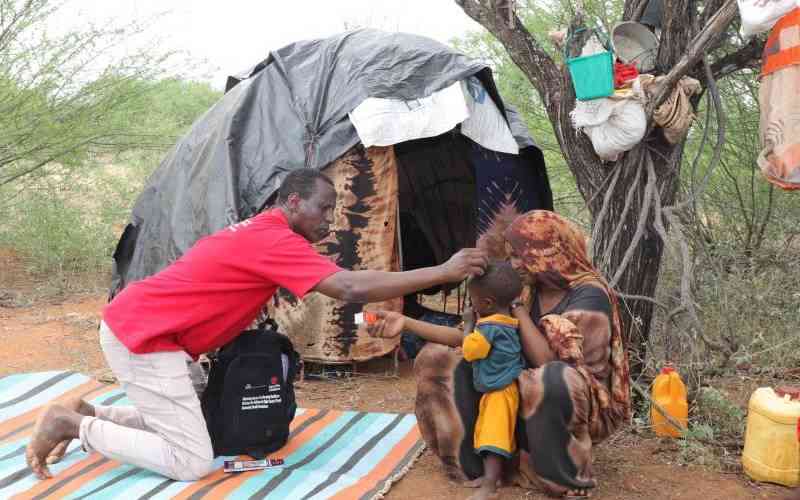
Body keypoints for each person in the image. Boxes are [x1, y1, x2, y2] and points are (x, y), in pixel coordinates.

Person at [25, 168, 488, 481]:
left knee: (199, 426)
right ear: (292, 202)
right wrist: (443, 272)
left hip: (156, 334)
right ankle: (73, 426)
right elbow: (348, 287)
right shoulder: (274, 240)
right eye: (323, 209)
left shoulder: (264, 232)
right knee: (192, 461)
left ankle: (96, 416)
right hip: (144, 339)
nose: (329, 219)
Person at [369, 210, 631, 498]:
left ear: (548, 252)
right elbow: (468, 338)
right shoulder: (529, 288)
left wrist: (517, 308)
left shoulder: (588, 295)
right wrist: (405, 323)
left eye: (522, 256)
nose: (515, 264)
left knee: (551, 378)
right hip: (512, 392)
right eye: (512, 256)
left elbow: (551, 364)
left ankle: (559, 475)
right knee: (438, 359)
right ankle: (483, 466)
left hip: (570, 402)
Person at [460, 262, 524, 500]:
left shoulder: (489, 328)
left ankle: (489, 487)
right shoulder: (508, 324)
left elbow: (470, 351)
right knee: (491, 432)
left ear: (486, 303)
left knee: (492, 435)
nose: (471, 305)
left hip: (500, 391)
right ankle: (492, 478)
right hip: (503, 387)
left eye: (473, 300)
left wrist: (468, 325)